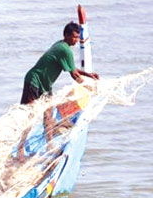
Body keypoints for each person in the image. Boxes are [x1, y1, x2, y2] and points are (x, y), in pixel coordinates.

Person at [18, 21, 99, 160]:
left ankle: (50, 146)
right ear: (66, 35)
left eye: (77, 37)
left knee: (48, 114)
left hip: (45, 84)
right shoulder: (64, 49)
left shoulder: (61, 45)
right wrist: (88, 87)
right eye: (74, 37)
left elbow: (72, 67)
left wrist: (88, 75)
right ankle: (20, 151)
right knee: (30, 117)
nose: (76, 40)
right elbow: (74, 75)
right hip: (34, 81)